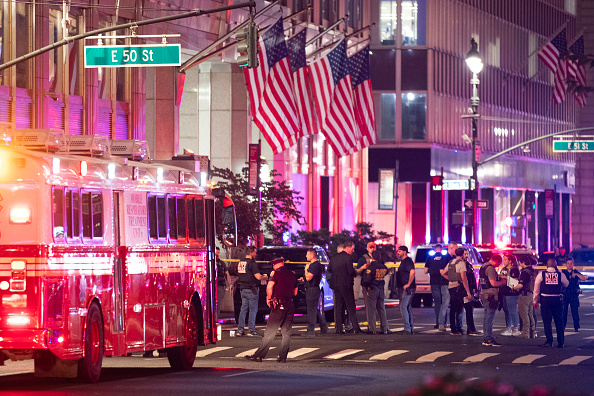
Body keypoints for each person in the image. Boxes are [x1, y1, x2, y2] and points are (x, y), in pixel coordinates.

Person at [245, 258, 298, 363]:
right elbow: (295, 292)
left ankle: (259, 355)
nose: (272, 267)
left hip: (278, 304)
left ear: (276, 265)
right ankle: (283, 357)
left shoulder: (276, 274)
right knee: (286, 332)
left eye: (273, 265)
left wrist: (269, 299)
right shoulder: (292, 274)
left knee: (270, 331)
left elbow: (269, 286)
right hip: (290, 305)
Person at [327, 241, 363, 334]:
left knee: (338, 307)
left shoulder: (334, 258)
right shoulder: (348, 258)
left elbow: (329, 269)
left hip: (336, 285)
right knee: (350, 306)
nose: (353, 250)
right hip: (346, 285)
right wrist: (356, 271)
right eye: (352, 248)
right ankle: (355, 327)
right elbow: (351, 272)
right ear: (348, 248)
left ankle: (339, 328)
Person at [533, 258, 569, 348]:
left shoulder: (541, 274)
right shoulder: (560, 275)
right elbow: (566, 284)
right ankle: (561, 342)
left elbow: (536, 289)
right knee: (559, 321)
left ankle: (549, 341)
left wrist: (535, 301)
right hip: (557, 300)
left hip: (545, 300)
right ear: (556, 266)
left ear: (546, 266)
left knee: (547, 322)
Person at [236, 246, 268, 337]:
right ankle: (251, 330)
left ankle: (240, 330)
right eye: (255, 252)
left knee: (243, 309)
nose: (255, 254)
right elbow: (258, 277)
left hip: (242, 288)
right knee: (253, 310)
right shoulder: (252, 263)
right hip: (251, 288)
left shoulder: (241, 262)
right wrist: (264, 277)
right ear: (251, 253)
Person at [441, 247, 472, 335]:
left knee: (453, 308)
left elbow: (443, 273)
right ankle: (470, 328)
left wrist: (451, 279)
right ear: (462, 254)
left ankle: (453, 329)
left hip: (451, 287)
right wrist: (468, 292)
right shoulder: (461, 263)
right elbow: (464, 278)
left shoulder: (451, 262)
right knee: (467, 307)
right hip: (459, 287)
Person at [301, 248, 329, 337]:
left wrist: (306, 269)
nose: (306, 256)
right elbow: (308, 278)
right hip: (313, 289)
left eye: (307, 254)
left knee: (311, 310)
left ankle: (310, 330)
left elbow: (309, 277)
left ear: (312, 255)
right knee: (314, 309)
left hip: (312, 289)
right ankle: (323, 326)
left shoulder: (314, 265)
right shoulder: (315, 265)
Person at [480, 254, 506, 346]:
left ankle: (486, 338)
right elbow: (493, 283)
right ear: (495, 261)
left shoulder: (483, 266)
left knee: (486, 317)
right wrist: (502, 282)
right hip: (491, 295)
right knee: (489, 317)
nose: (498, 265)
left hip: (484, 294)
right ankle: (489, 338)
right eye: (498, 263)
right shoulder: (490, 268)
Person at [424, 244, 450, 331]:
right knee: (444, 303)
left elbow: (425, 271)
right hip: (444, 282)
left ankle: (438, 323)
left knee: (437, 303)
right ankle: (443, 322)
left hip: (434, 282)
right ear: (442, 249)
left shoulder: (429, 258)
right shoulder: (445, 257)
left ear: (435, 249)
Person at [363, 250, 390, 334]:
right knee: (382, 309)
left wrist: (367, 287)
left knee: (371, 309)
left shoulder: (371, 267)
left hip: (373, 289)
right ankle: (384, 328)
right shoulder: (384, 267)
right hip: (381, 289)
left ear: (372, 257)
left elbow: (367, 279)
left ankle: (372, 329)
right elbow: (387, 272)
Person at [513, 257, 536, 338]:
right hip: (531, 294)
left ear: (523, 262)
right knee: (530, 314)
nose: (519, 264)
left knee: (524, 314)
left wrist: (513, 287)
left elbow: (520, 285)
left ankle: (525, 332)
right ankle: (532, 332)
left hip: (524, 295)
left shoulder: (524, 272)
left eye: (520, 262)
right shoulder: (532, 271)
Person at [356, 242, 377, 331]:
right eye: (370, 247)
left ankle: (383, 327)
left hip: (377, 284)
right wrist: (362, 268)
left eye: (373, 247)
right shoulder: (363, 259)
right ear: (367, 248)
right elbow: (357, 271)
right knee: (369, 306)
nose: (372, 248)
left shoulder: (378, 257)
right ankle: (371, 327)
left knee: (380, 307)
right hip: (367, 285)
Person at [562, 258, 586, 332]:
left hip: (573, 294)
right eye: (568, 263)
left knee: (575, 311)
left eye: (571, 263)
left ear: (573, 264)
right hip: (565, 294)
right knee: (563, 312)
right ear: (565, 264)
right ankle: (562, 327)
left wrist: (576, 274)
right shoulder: (563, 272)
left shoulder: (575, 272)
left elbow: (584, 278)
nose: (569, 265)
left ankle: (576, 327)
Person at [396, 245, 416, 335]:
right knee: (407, 307)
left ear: (404, 252)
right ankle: (410, 327)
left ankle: (407, 328)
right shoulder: (404, 261)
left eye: (399, 251)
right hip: (406, 287)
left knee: (403, 306)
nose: (398, 253)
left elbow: (413, 272)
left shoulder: (407, 261)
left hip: (408, 288)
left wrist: (408, 284)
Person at [499, 254, 521, 336]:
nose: (503, 261)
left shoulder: (514, 269)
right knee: (506, 310)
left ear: (510, 261)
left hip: (511, 293)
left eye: (505, 259)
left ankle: (515, 328)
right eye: (503, 259)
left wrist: (504, 277)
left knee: (512, 310)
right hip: (504, 292)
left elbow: (515, 281)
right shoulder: (503, 269)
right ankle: (508, 328)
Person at [462, 249, 480, 335]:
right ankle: (460, 328)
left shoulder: (469, 265)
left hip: (469, 289)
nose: (466, 255)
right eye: (465, 254)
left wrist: (475, 289)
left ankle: (471, 328)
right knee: (460, 310)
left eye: (467, 254)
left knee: (470, 309)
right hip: (462, 290)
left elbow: (472, 278)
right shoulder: (459, 265)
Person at [215, 247, 231, 320]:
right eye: (216, 253)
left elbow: (227, 274)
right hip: (211, 287)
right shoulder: (208, 262)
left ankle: (215, 319)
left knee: (218, 304)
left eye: (218, 253)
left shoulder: (221, 263)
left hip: (220, 286)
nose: (217, 255)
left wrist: (229, 285)